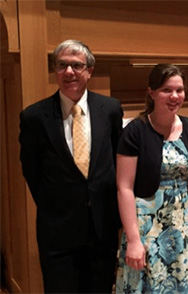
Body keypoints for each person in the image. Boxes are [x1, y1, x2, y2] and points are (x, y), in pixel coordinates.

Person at [19, 39, 123, 293]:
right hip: (57, 230)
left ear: (89, 71)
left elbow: (116, 161)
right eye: (62, 65)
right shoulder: (34, 117)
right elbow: (31, 171)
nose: (69, 72)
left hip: (102, 227)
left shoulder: (110, 109)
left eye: (76, 65)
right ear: (55, 70)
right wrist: (55, 205)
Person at [115, 64, 188, 293]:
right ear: (151, 92)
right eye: (166, 90)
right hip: (146, 229)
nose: (174, 96)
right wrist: (132, 240)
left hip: (185, 226)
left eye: (179, 90)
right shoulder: (134, 131)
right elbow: (124, 188)